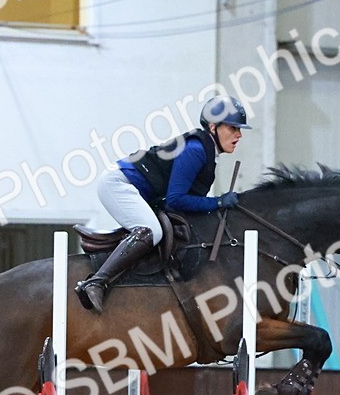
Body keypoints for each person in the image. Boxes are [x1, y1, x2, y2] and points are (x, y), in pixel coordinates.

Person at [75, 95, 251, 314]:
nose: (239, 134)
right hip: (118, 184)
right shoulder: (196, 151)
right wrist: (218, 202)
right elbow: (177, 200)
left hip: (137, 189)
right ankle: (96, 282)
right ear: (213, 127)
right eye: (233, 128)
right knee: (152, 231)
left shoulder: (206, 152)